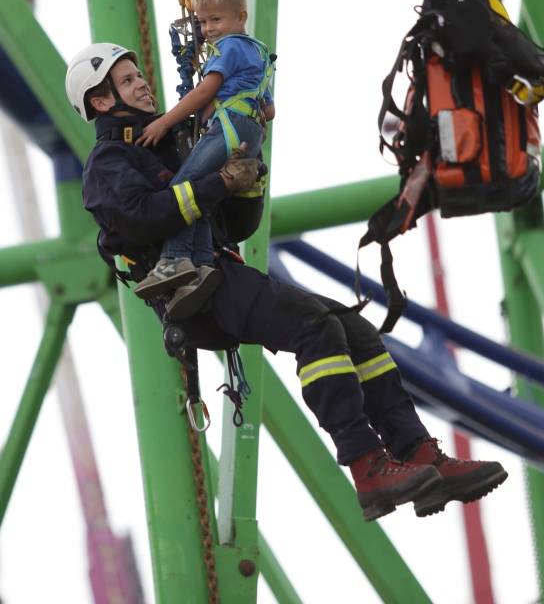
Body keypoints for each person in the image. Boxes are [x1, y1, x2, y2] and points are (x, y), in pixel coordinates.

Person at [66, 42, 508, 521]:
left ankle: (417, 453)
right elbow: (145, 218)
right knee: (313, 326)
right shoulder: (109, 164)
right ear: (101, 101)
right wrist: (215, 183)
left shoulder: (168, 146)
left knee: (354, 331)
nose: (142, 84)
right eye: (128, 81)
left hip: (214, 276)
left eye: (137, 76)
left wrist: (245, 176)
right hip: (188, 292)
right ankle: (367, 468)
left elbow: (236, 226)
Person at [130, 0, 276, 319]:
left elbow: (204, 92)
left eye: (216, 20)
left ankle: (175, 260)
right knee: (203, 198)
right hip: (249, 129)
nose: (208, 29)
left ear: (240, 17)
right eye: (203, 21)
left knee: (185, 188)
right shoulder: (258, 53)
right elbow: (269, 109)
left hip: (228, 126)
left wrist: (164, 122)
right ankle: (201, 265)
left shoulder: (229, 48)